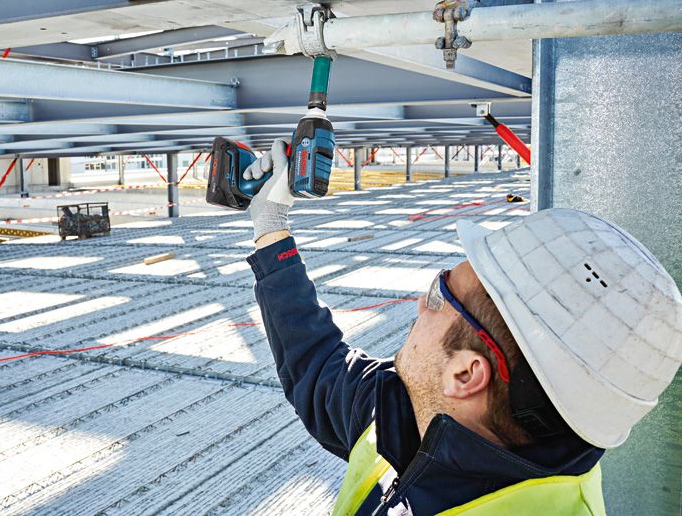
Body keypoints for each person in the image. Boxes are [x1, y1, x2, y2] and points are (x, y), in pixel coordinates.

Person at [242, 139, 682, 516]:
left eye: (439, 295)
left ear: (466, 374)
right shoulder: (421, 413)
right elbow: (319, 369)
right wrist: (271, 226)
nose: (420, 303)